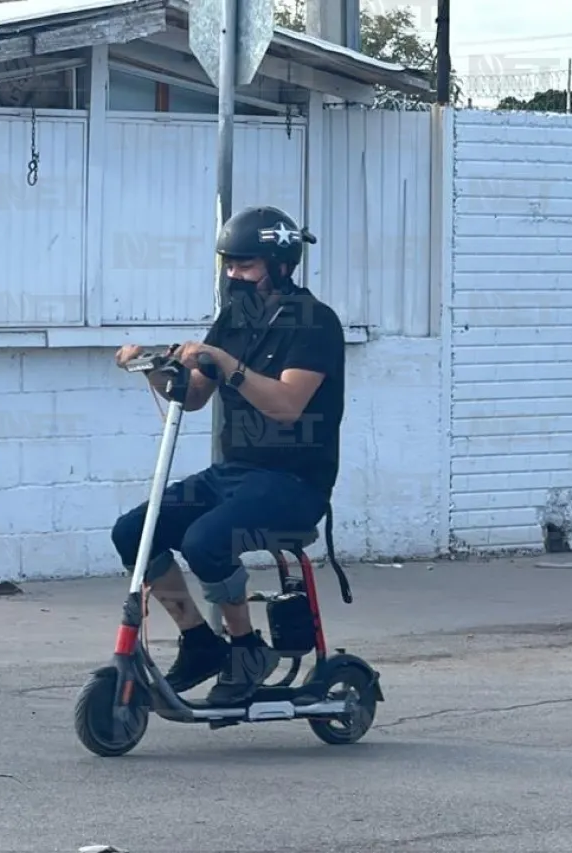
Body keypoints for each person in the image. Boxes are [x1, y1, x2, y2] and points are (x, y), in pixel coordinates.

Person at [110, 205, 346, 707]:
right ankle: (200, 642)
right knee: (133, 530)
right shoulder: (234, 319)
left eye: (246, 265)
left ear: (281, 264)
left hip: (294, 484)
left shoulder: (315, 323)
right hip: (234, 473)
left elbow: (286, 405)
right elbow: (193, 396)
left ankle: (246, 650)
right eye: (229, 265)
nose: (234, 276)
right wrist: (153, 368)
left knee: (205, 541)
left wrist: (227, 364)